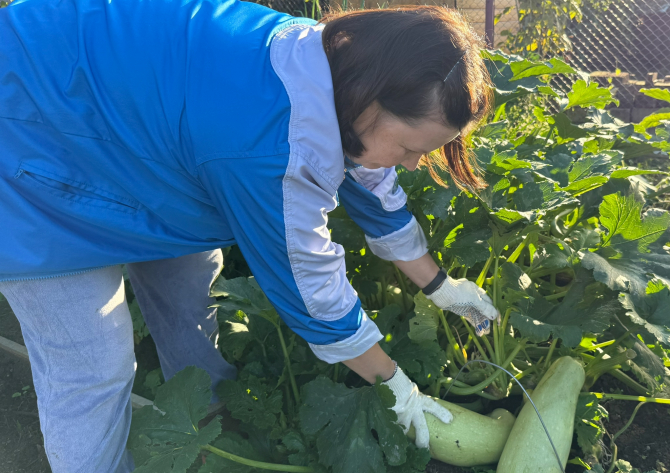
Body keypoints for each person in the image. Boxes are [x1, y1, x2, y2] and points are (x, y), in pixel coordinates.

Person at [0, 0, 500, 471]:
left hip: (117, 116)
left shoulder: (330, 65)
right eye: (410, 148)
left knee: (191, 284)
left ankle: (205, 426)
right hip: (27, 128)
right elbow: (312, 293)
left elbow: (372, 182)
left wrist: (441, 286)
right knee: (93, 369)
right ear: (371, 97)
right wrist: (397, 387)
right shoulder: (272, 147)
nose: (413, 164)